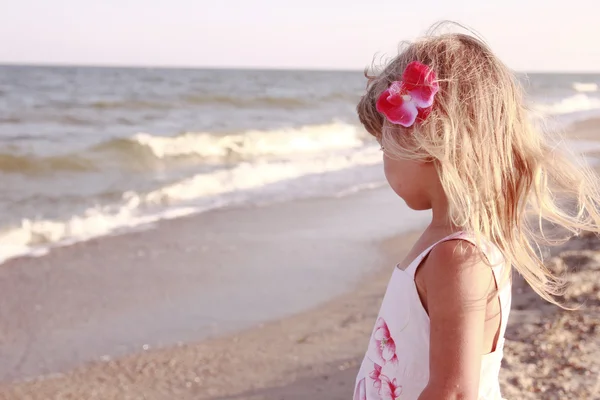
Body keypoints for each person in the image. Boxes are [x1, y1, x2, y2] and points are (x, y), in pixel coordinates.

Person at [353, 27, 600, 400]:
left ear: (424, 141)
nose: (383, 159)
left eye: (383, 146)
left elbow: (452, 392)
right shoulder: (452, 244)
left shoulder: (457, 256)